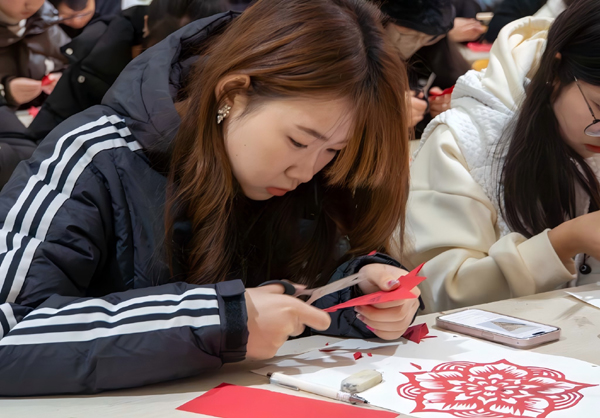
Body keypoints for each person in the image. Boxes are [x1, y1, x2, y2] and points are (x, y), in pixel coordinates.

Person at [0, 0, 419, 396]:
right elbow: (10, 328)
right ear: (232, 94)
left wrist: (358, 295)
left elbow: (296, 293)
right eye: (298, 141)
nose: (307, 170)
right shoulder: (95, 157)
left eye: (332, 150)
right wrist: (218, 320)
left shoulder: (305, 182)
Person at [400, 0, 600, 313]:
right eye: (599, 108)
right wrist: (563, 242)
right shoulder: (464, 140)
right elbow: (433, 293)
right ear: (555, 72)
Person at [379, 0, 471, 137]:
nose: (416, 43)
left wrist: (440, 110)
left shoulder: (437, 51)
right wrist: (383, 114)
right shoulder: (360, 57)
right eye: (407, 34)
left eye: (427, 38)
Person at [0, 0, 69, 108]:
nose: (31, 4)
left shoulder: (45, 19)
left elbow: (73, 60)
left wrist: (63, 76)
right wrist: (4, 94)